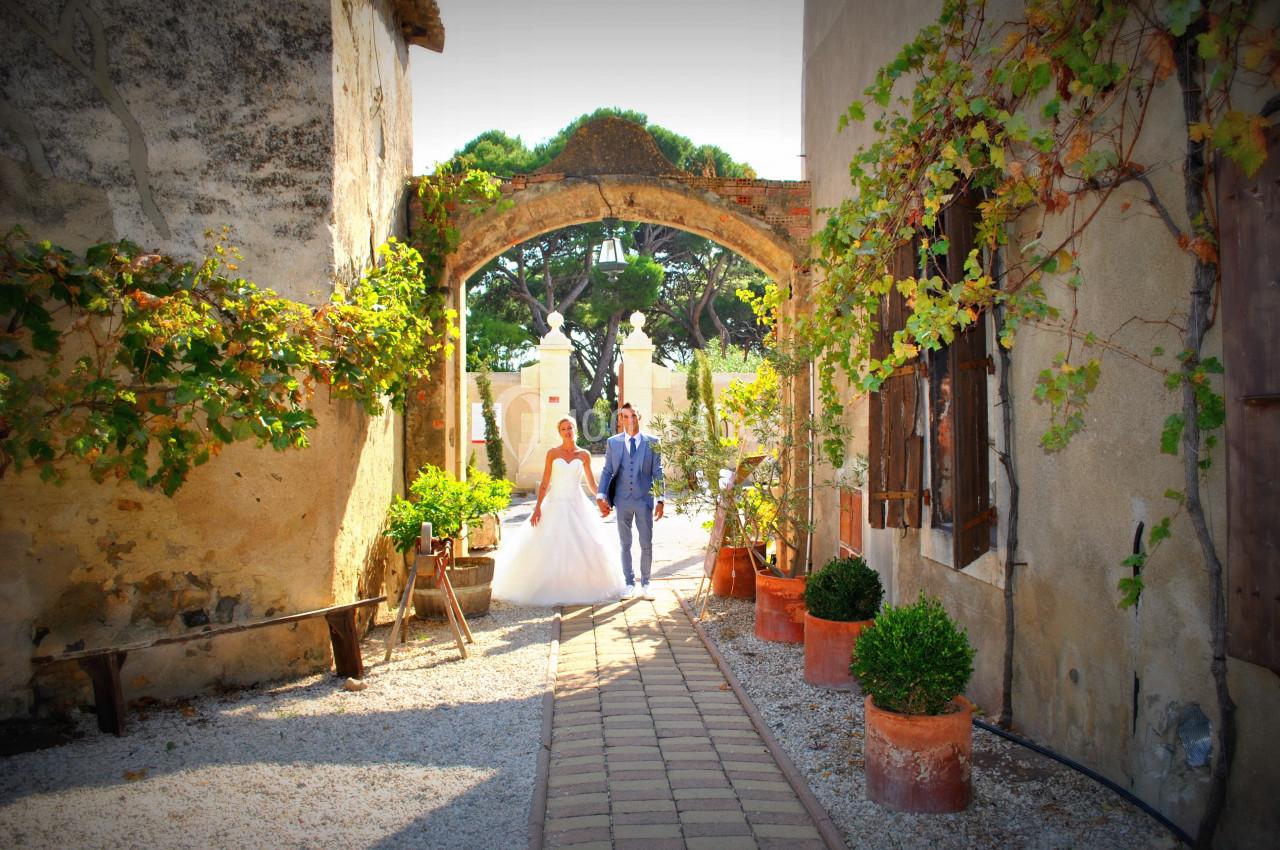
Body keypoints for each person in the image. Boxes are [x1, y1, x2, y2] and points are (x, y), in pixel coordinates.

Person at [491, 417, 626, 606]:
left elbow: (592, 485)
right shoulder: (552, 453)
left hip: (577, 503)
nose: (567, 431)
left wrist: (603, 499)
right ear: (559, 432)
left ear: (575, 430)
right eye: (563, 428)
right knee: (549, 544)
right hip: (555, 502)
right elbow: (545, 482)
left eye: (570, 427)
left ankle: (580, 586)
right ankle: (549, 586)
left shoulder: (584, 454)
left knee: (586, 544)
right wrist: (537, 508)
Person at [596, 403, 665, 600]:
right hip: (622, 500)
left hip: (644, 501)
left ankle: (646, 583)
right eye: (626, 416)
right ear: (621, 420)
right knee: (625, 544)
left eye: (633, 415)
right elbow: (607, 470)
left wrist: (660, 499)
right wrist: (601, 496)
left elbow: (657, 472)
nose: (631, 419)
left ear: (639, 417)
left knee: (646, 543)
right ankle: (629, 583)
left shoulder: (653, 442)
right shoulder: (613, 443)